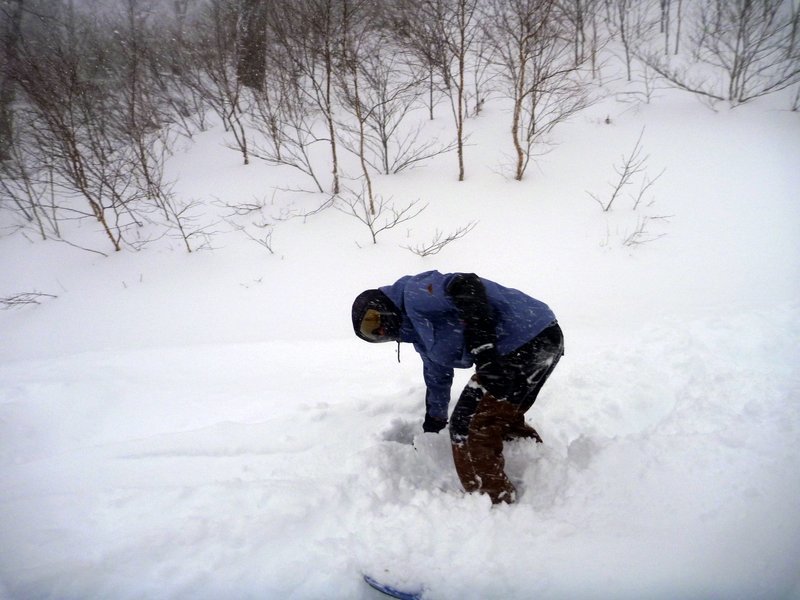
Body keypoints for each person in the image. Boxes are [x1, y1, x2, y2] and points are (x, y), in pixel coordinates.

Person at [351, 270, 563, 504]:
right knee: (500, 416)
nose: (380, 331)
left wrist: (483, 350)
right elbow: (437, 379)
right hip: (541, 338)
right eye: (371, 335)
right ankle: (536, 462)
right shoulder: (421, 338)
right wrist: (434, 424)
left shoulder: (413, 294)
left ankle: (492, 502)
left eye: (373, 320)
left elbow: (465, 285)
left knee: (468, 425)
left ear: (380, 304)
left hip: (523, 339)